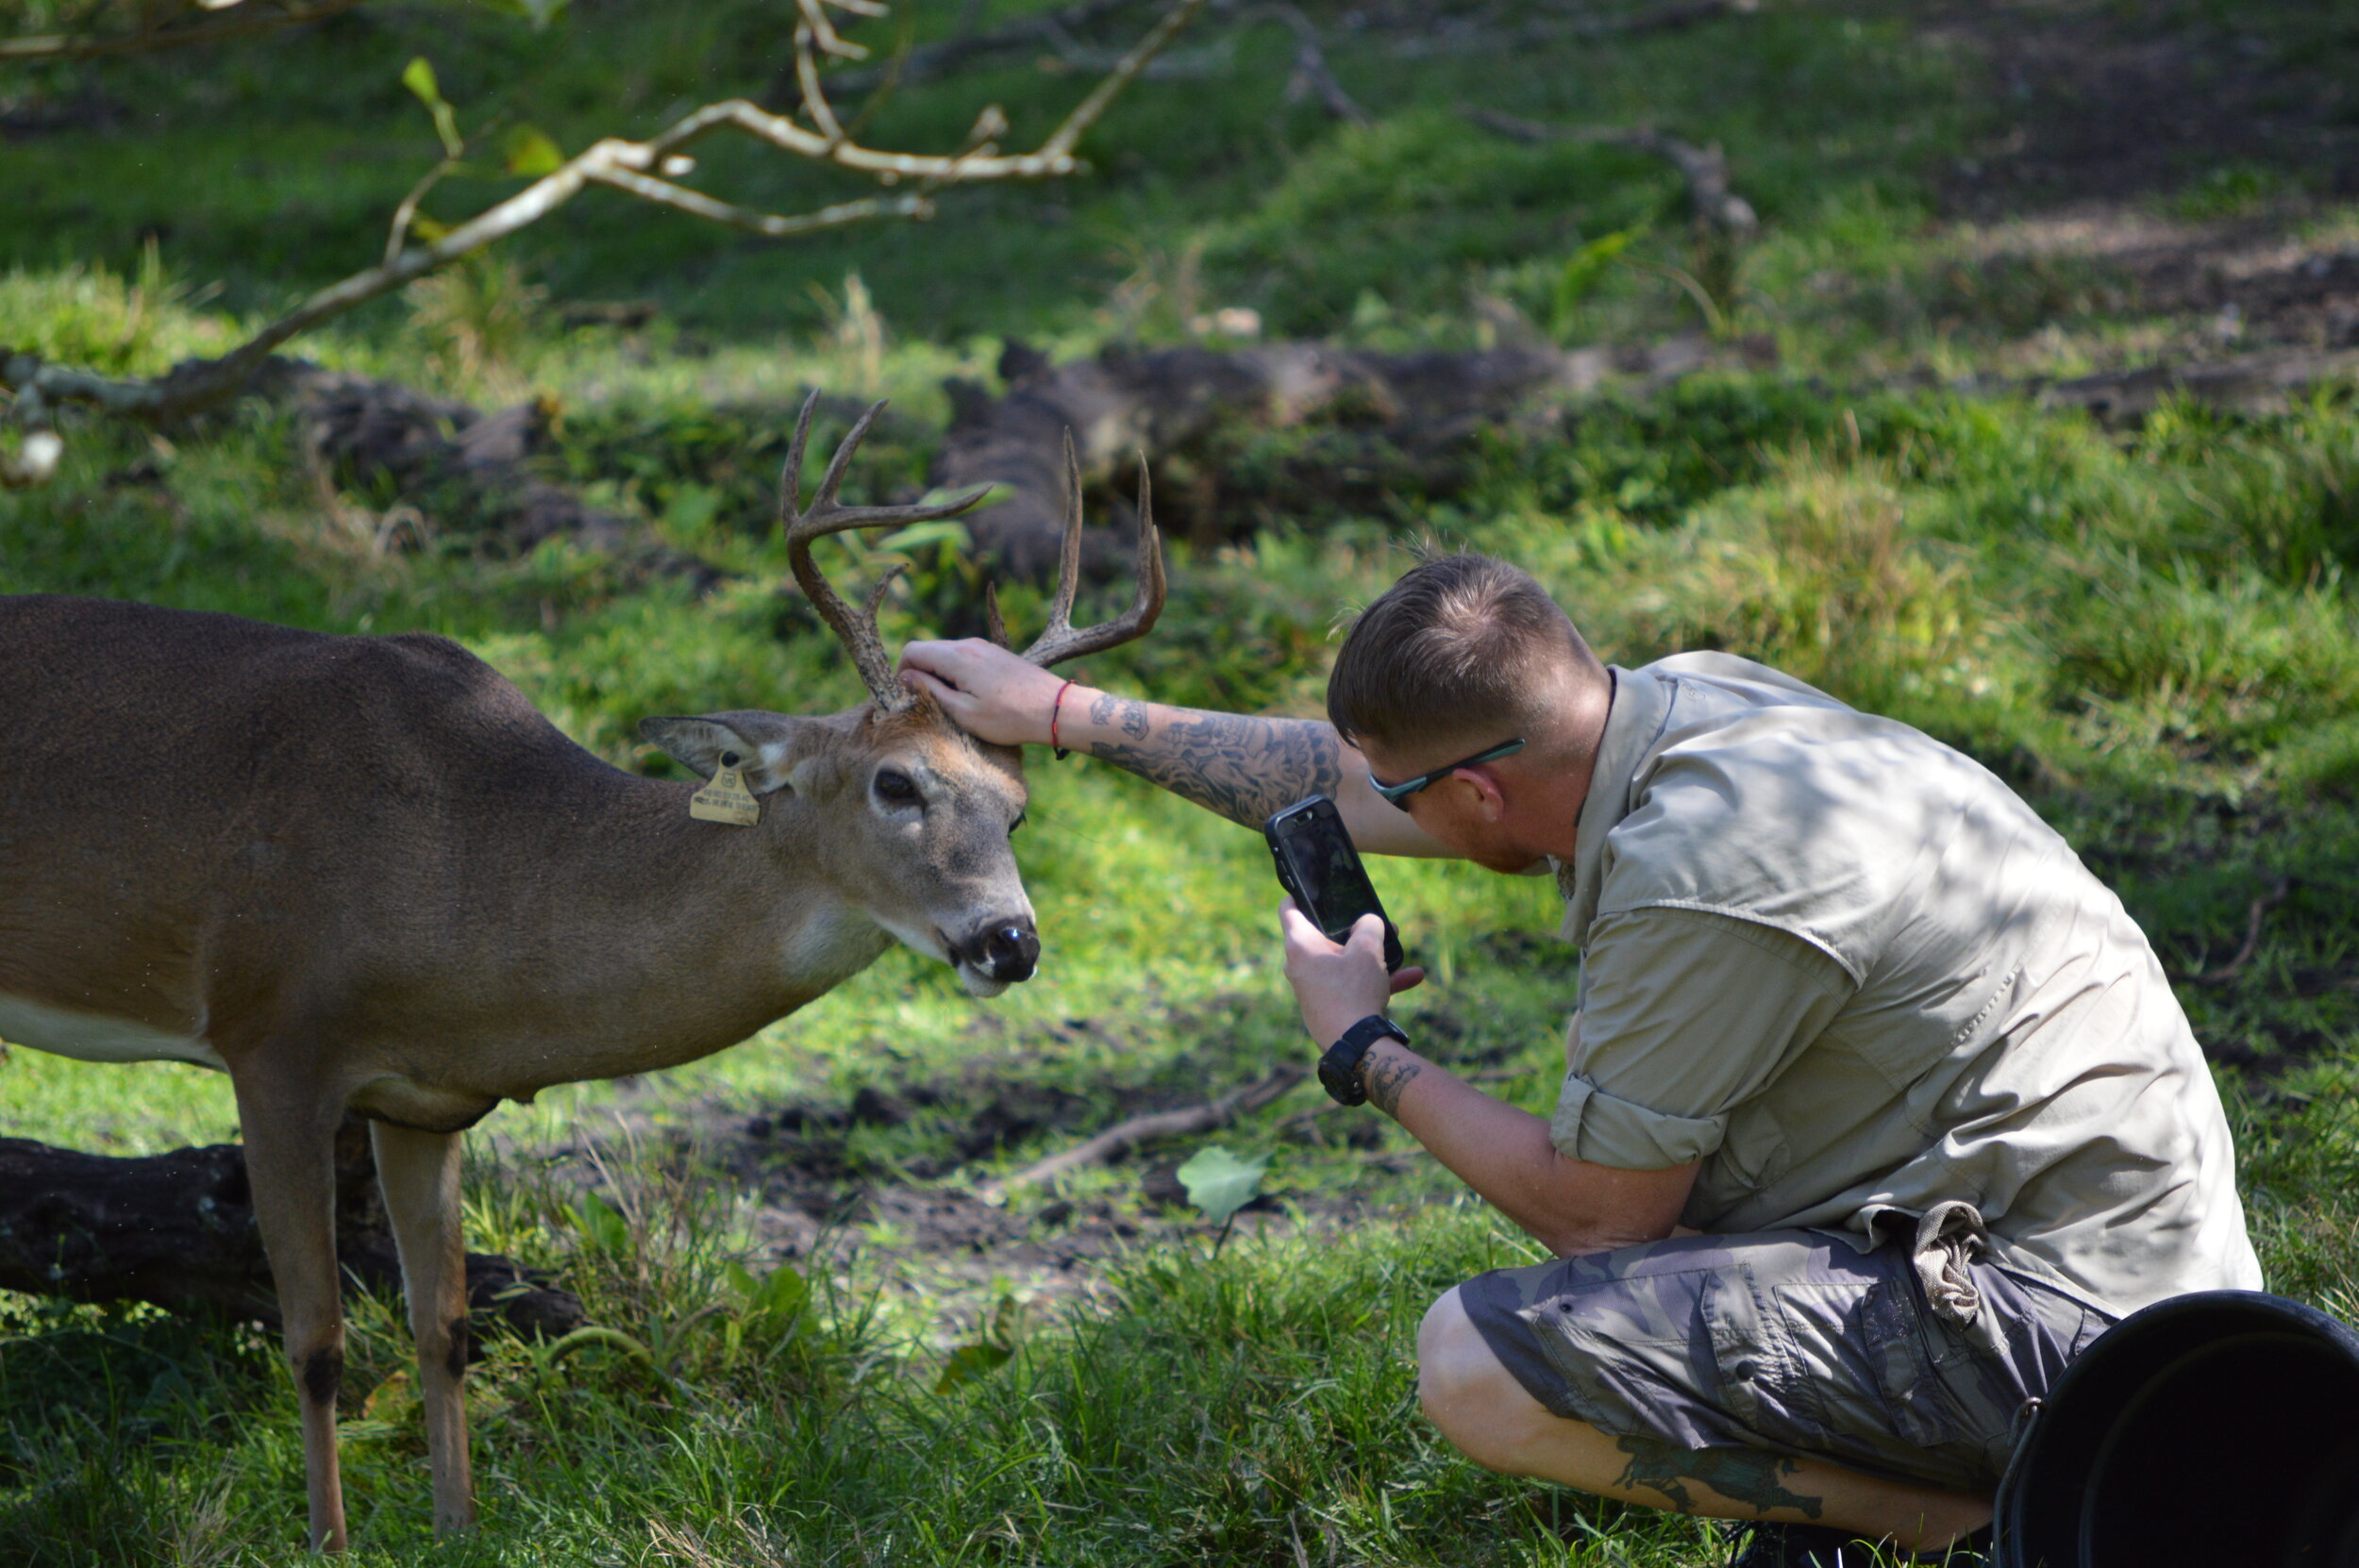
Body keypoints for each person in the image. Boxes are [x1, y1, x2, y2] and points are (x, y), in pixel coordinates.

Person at [900, 552, 2263, 1567]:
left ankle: (1997, 1530)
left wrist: (1363, 1045)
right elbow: (1360, 772)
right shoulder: (1683, 705)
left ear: (1481, 792)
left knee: (1480, 1363)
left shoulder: (1700, 873)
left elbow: (1599, 1210)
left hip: (2093, 1344)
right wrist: (1066, 709)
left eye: (1412, 797)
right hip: (2108, 1266)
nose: (1377, 814)